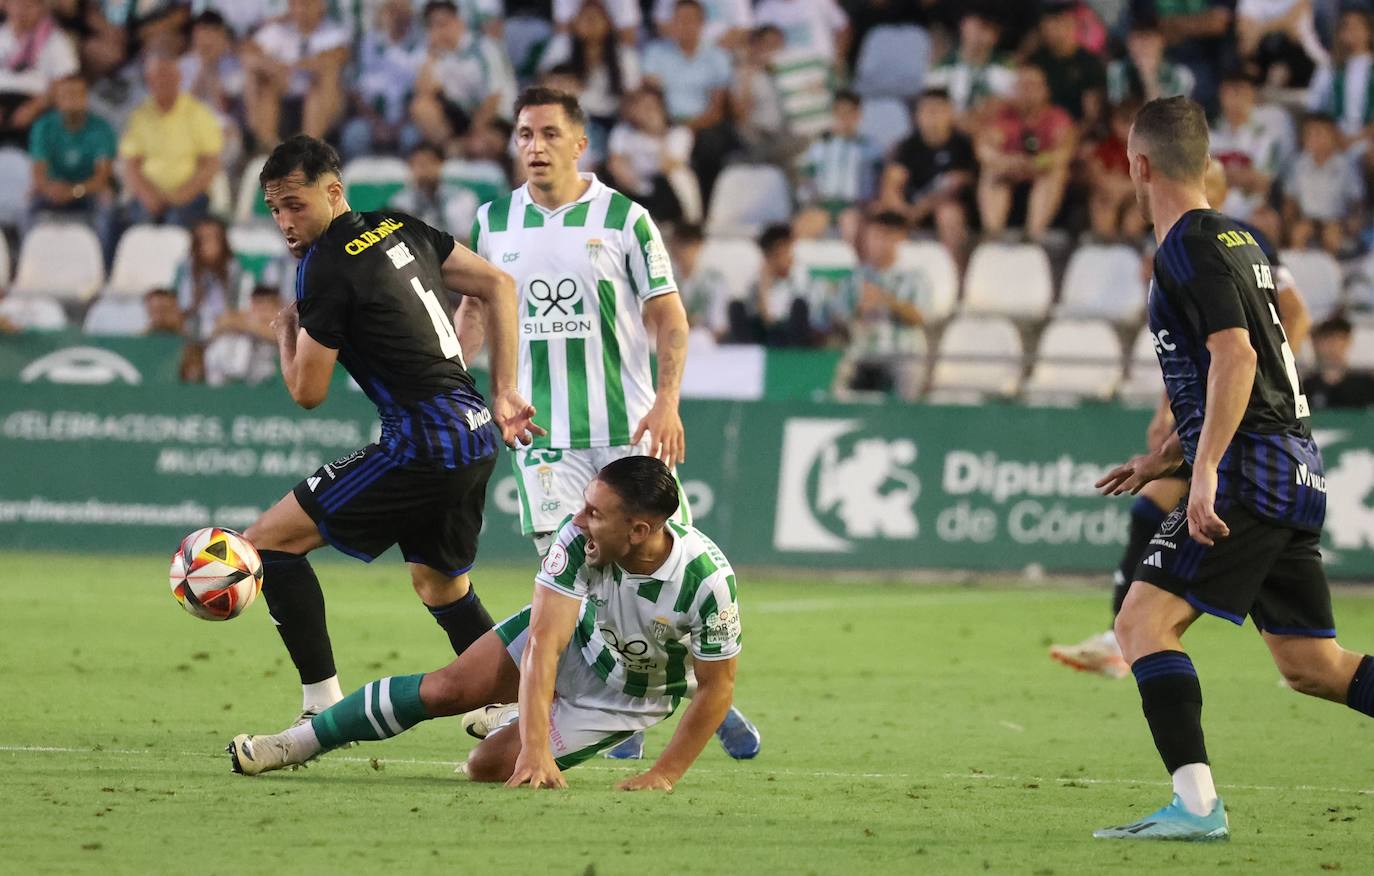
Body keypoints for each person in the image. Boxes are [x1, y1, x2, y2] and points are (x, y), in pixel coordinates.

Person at [1090, 95, 1374, 842]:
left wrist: (1206, 467)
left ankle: (1195, 807)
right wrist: (1165, 458)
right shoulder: (1242, 240)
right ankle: (1194, 806)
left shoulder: (1186, 245)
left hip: (1252, 470)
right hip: (1294, 468)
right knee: (1314, 664)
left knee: (1142, 622)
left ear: (1139, 165)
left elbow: (1238, 357)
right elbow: (1245, 375)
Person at [459, 86, 761, 761]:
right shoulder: (491, 222)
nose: (533, 147)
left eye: (547, 134)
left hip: (627, 431)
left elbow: (669, 317)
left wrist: (668, 399)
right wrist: (460, 385)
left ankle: (698, 690)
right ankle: (610, 703)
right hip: (541, 436)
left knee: (658, 571)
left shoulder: (626, 218)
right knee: (569, 570)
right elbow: (474, 312)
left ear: (578, 143)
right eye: (523, 135)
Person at [238, 134, 541, 730]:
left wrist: (282, 333)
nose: (285, 222)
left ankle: (320, 706)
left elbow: (307, 392)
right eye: (275, 209)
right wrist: (504, 388)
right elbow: (498, 284)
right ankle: (520, 710)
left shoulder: (323, 267)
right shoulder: (399, 225)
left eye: (295, 205)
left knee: (269, 543)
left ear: (334, 192)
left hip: (423, 439)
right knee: (440, 587)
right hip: (475, 429)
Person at [228, 456, 741, 793]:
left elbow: (716, 689)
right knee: (448, 689)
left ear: (640, 530)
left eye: (594, 512)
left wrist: (663, 775)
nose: (578, 518)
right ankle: (294, 745)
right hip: (575, 642)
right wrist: (536, 747)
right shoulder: (577, 540)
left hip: (625, 697)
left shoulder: (707, 582)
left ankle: (520, 724)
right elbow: (544, 642)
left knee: (485, 768)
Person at [1050, 156, 1310, 678]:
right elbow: (1192, 345)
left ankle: (1126, 636)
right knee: (1311, 662)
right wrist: (1167, 410)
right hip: (1220, 408)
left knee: (1167, 511)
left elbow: (1291, 316)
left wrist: (1270, 382)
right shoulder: (1183, 244)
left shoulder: (1235, 240)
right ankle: (1124, 635)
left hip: (1248, 415)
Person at [118, 51, 222, 229]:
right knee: (127, 224)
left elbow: (210, 164)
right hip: (148, 197)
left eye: (167, 75)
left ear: (178, 78)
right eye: (156, 77)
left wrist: (180, 196)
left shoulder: (198, 113)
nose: (162, 81)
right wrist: (149, 197)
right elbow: (131, 165)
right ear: (149, 82)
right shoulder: (139, 116)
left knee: (175, 222)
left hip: (190, 196)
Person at [832, 212, 929, 401]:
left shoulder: (915, 277)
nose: (876, 243)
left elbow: (919, 318)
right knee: (840, 376)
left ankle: (908, 424)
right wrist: (857, 312)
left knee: (911, 370)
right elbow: (839, 319)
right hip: (864, 352)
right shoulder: (854, 278)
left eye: (883, 237)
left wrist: (886, 300)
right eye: (872, 236)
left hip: (903, 352)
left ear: (896, 240)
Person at [975, 65, 1075, 241]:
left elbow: (1064, 153)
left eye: (1033, 86)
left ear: (1045, 90)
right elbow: (985, 151)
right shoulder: (1001, 117)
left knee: (1055, 174)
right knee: (991, 174)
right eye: (1022, 86)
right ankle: (993, 236)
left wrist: (1037, 162)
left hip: (1042, 172)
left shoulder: (1057, 118)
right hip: (1010, 170)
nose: (1027, 91)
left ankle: (1034, 236)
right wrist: (1009, 162)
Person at [27, 74, 118, 262]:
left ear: (86, 98)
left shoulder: (101, 128)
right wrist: (48, 188)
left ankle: (101, 265)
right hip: (55, 189)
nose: (72, 100)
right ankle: (29, 263)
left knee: (106, 206)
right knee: (28, 205)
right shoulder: (43, 126)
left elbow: (102, 177)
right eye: (67, 95)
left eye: (78, 94)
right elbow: (38, 172)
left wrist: (75, 191)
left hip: (87, 190)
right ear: (57, 99)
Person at [877, 88, 976, 259]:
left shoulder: (963, 144)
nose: (932, 116)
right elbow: (892, 183)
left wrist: (920, 209)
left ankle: (955, 276)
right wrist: (901, 211)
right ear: (917, 116)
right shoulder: (907, 146)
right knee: (882, 214)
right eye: (927, 110)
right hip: (912, 211)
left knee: (948, 214)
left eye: (937, 110)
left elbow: (957, 183)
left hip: (952, 209)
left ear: (950, 113)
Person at [241, 0, 350, 147]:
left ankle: (307, 149)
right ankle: (266, 148)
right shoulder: (279, 30)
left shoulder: (333, 32)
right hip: (285, 95)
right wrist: (272, 67)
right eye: (295, 4)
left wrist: (294, 66)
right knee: (264, 83)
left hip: (321, 100)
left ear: (320, 6)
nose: (300, 10)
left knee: (323, 81)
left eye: (306, 4)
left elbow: (336, 58)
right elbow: (247, 52)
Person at [410, 0, 516, 148]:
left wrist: (472, 134)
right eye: (432, 26)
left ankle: (464, 149)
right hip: (464, 117)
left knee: (479, 144)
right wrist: (431, 55)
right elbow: (422, 92)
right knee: (421, 107)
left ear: (459, 22)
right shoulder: (439, 55)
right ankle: (450, 150)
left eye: (443, 24)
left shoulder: (484, 47)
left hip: (497, 117)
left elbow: (494, 98)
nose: (438, 31)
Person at [793, 90, 879, 244]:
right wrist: (811, 198)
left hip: (855, 206)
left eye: (848, 113)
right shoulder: (820, 146)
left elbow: (881, 179)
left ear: (858, 115)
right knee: (801, 229)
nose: (843, 118)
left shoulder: (871, 147)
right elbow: (806, 176)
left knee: (850, 223)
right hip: (824, 205)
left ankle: (855, 266)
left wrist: (870, 204)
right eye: (839, 113)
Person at [1281, 113, 1364, 255]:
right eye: (1309, 134)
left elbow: (1357, 200)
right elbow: (1290, 199)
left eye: (1319, 133)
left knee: (1332, 235)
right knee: (1299, 233)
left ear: (1333, 137)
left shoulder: (1346, 165)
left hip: (1336, 221)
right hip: (1307, 219)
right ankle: (1300, 272)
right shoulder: (1298, 164)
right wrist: (1288, 224)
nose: (1313, 138)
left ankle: (1332, 274)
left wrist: (1351, 223)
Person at [0, 0, 79, 148]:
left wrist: (35, 107)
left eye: (29, 6)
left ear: (41, 9)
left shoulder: (56, 39)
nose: (21, 11)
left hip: (37, 104)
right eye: (16, 4)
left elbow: (65, 82)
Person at [1028, 0, 1106, 129]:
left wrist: (1071, 138)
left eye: (1059, 20)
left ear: (1072, 23)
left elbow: (1092, 116)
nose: (1051, 27)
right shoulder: (1036, 60)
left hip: (1077, 131)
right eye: (1048, 21)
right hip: (1040, 131)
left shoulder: (1089, 63)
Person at [388, 141, 480, 237]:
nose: (424, 170)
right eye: (417, 164)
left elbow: (466, 237)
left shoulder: (462, 197)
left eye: (428, 163)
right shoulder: (400, 202)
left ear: (441, 164)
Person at [1303, 315, 1374, 410]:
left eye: (1339, 338)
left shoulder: (1365, 384)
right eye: (1326, 338)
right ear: (1315, 343)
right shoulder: (1307, 386)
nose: (1333, 345)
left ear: (1348, 341)